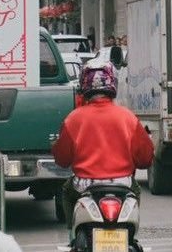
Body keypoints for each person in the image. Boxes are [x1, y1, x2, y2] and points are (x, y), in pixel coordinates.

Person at [51, 61, 153, 228]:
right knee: (136, 192)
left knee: (66, 191)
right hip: (123, 185)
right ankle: (131, 233)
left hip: (83, 186)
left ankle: (73, 234)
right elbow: (145, 159)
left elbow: (62, 159)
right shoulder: (127, 117)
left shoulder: (73, 119)